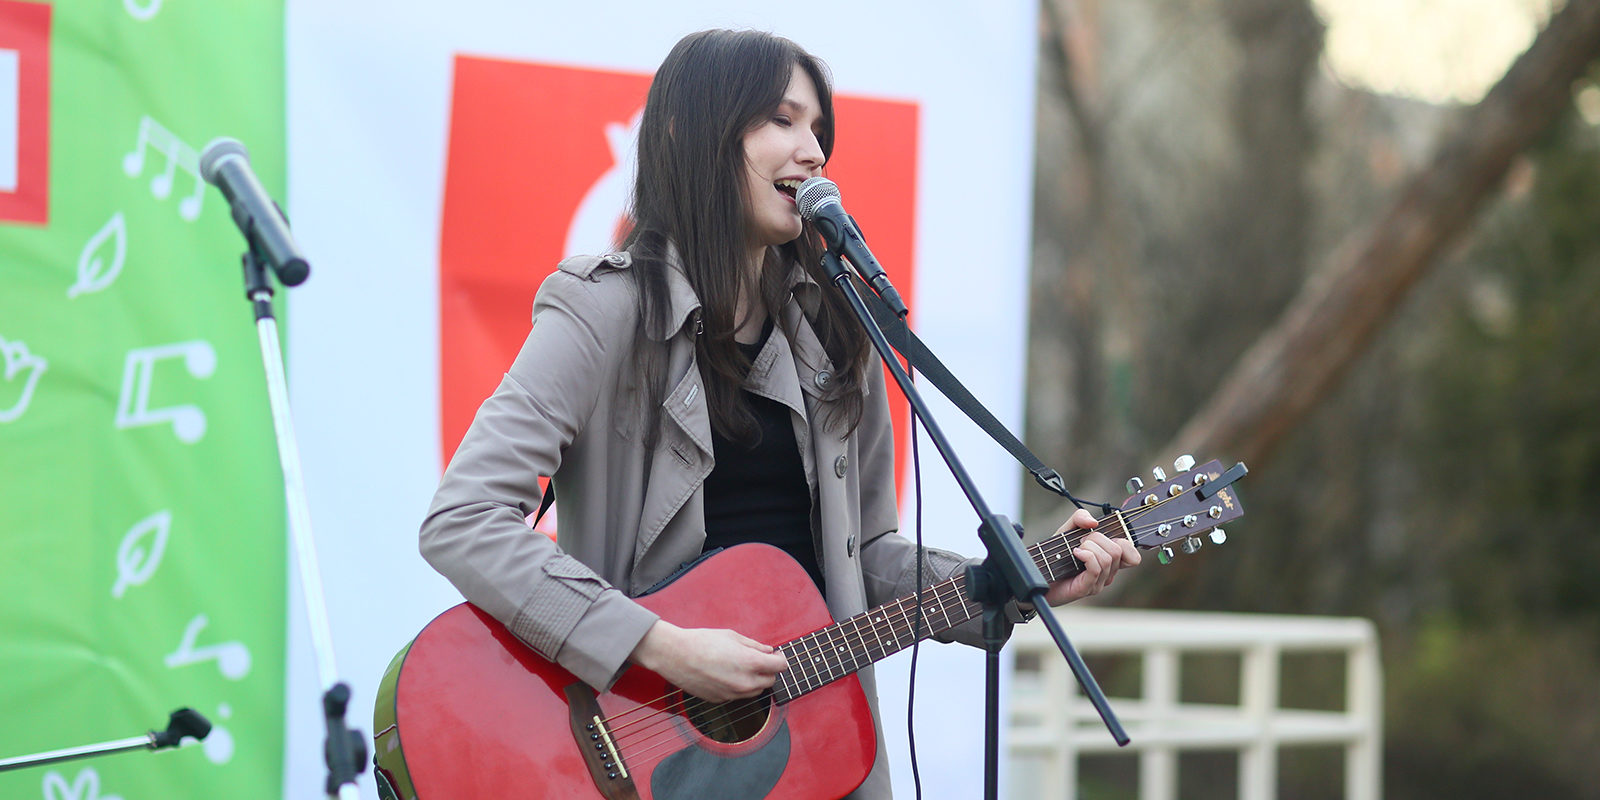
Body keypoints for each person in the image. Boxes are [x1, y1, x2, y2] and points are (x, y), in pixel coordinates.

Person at [419, 28, 1140, 799]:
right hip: (633, 754)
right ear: (689, 133)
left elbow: (864, 558)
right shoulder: (602, 310)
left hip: (806, 760)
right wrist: (659, 644)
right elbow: (464, 518)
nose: (814, 151)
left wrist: (1016, 579)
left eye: (819, 130)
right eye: (782, 121)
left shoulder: (839, 333)